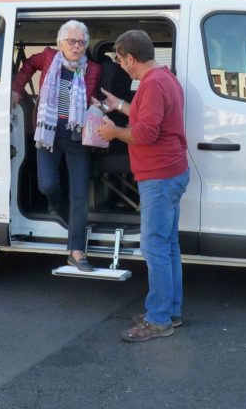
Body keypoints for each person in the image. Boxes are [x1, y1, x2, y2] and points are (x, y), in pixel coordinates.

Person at [95, 30, 189, 342]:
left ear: (131, 58)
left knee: (154, 247)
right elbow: (151, 117)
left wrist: (114, 133)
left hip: (158, 175)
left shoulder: (151, 84)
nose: (120, 65)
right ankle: (170, 311)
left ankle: (159, 319)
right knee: (168, 244)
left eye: (120, 60)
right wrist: (120, 105)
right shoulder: (165, 77)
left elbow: (146, 133)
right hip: (172, 171)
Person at [12, 20, 102, 272]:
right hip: (47, 131)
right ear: (60, 43)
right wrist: (16, 90)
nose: (77, 46)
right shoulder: (48, 57)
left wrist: (99, 104)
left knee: (80, 193)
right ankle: (58, 206)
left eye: (81, 42)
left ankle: (76, 252)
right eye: (72, 41)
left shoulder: (93, 68)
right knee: (47, 184)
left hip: (76, 134)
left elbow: (97, 96)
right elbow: (28, 65)